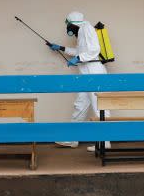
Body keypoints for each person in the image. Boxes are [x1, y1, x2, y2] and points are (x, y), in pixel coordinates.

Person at [47, 11, 110, 152]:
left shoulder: (86, 28)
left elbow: (94, 50)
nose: (68, 28)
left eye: (68, 24)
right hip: (86, 74)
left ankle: (105, 141)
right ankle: (72, 139)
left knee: (99, 106)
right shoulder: (82, 31)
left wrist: (78, 59)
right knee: (80, 105)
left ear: (73, 23)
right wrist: (61, 48)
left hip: (94, 73)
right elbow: (80, 50)